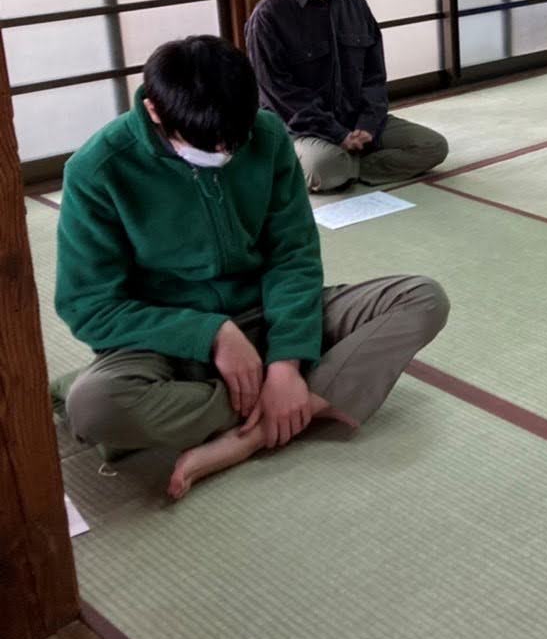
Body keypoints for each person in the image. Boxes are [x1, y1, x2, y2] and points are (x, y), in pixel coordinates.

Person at [52, 36, 450, 499]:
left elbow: (294, 255)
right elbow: (89, 306)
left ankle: (254, 433)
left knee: (422, 298)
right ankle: (302, 400)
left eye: (233, 141)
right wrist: (213, 334)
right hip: (167, 341)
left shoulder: (266, 134)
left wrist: (285, 362)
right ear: (155, 111)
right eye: (206, 143)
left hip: (268, 313)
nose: (223, 151)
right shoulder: (98, 170)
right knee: (95, 407)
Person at [245, 0, 448, 193]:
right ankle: (337, 163)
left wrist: (367, 125)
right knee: (324, 166)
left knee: (432, 146)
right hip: (301, 128)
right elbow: (280, 94)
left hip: (356, 121)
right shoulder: (269, 16)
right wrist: (336, 133)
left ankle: (350, 167)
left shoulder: (354, 2)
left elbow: (375, 75)